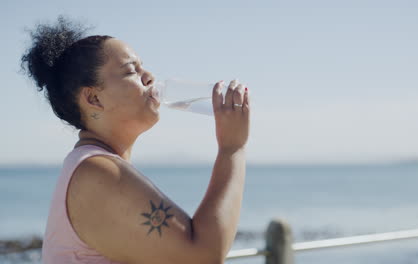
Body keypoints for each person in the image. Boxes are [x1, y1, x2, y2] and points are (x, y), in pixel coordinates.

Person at [21, 16, 250, 264]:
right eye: (132, 71)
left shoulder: (98, 165)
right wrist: (232, 148)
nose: (149, 76)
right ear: (94, 99)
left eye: (143, 67)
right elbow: (203, 256)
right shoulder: (95, 173)